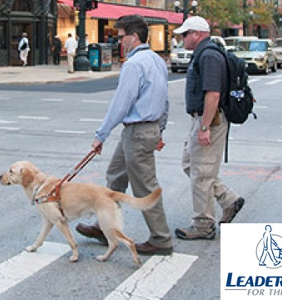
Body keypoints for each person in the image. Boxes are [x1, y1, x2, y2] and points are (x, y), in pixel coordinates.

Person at [76, 15, 173, 256]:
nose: (118, 41)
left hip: (138, 132)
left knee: (145, 187)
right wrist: (159, 130)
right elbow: (165, 100)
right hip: (143, 130)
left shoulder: (134, 64)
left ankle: (161, 239)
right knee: (116, 175)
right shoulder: (157, 60)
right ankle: (104, 225)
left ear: (134, 36)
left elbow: (121, 104)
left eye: (121, 37)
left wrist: (101, 136)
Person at [172, 16, 245, 240]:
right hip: (203, 119)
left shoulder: (209, 55)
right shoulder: (204, 53)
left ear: (197, 34)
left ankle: (203, 224)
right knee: (190, 165)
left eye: (185, 34)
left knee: (201, 173)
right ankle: (228, 199)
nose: (181, 38)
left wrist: (205, 126)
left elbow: (212, 93)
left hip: (209, 120)